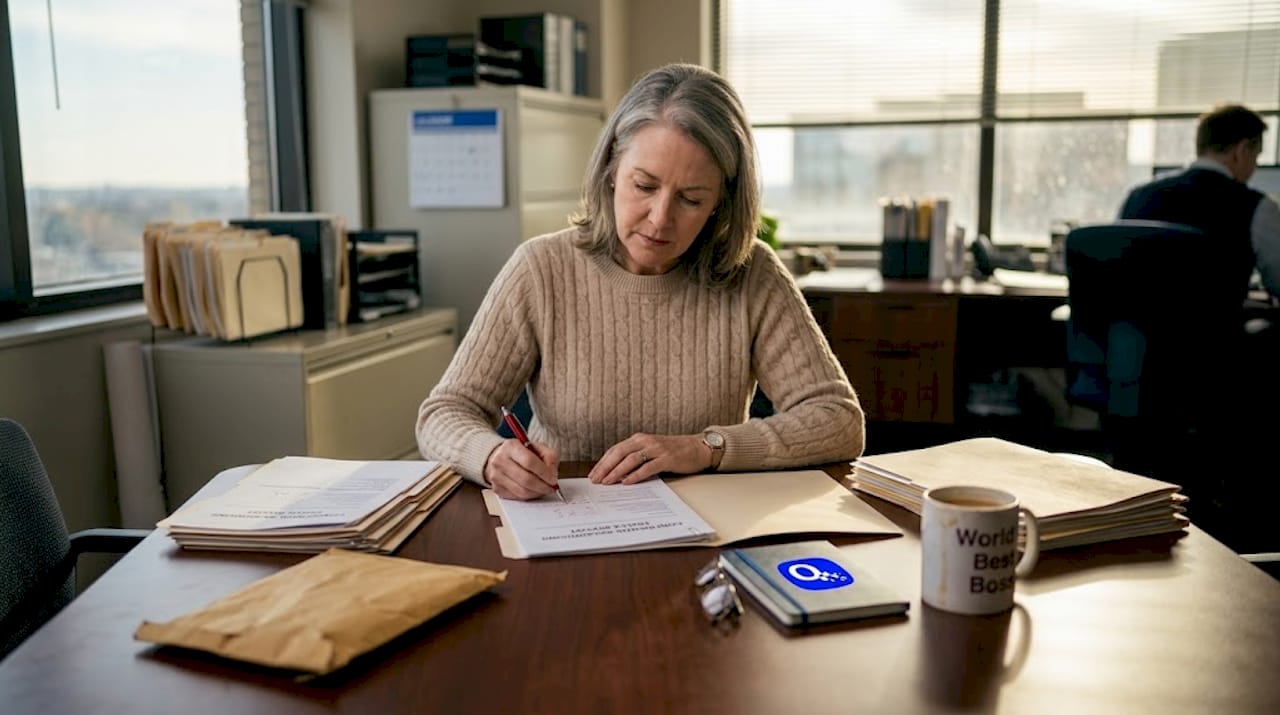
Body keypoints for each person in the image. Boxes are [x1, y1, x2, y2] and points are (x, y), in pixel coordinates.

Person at [416, 63, 864, 501]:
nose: (660, 218)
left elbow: (838, 420)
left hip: (708, 529)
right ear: (612, 170)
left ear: (720, 205)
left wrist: (704, 448)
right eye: (645, 186)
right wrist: (492, 456)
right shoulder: (541, 268)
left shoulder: (752, 275)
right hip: (563, 520)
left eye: (691, 198)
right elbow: (443, 414)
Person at [1118, 103, 1280, 301]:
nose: (1254, 167)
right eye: (1256, 157)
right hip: (1212, 330)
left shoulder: (1137, 197)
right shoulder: (1257, 207)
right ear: (1242, 150)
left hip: (1131, 329)